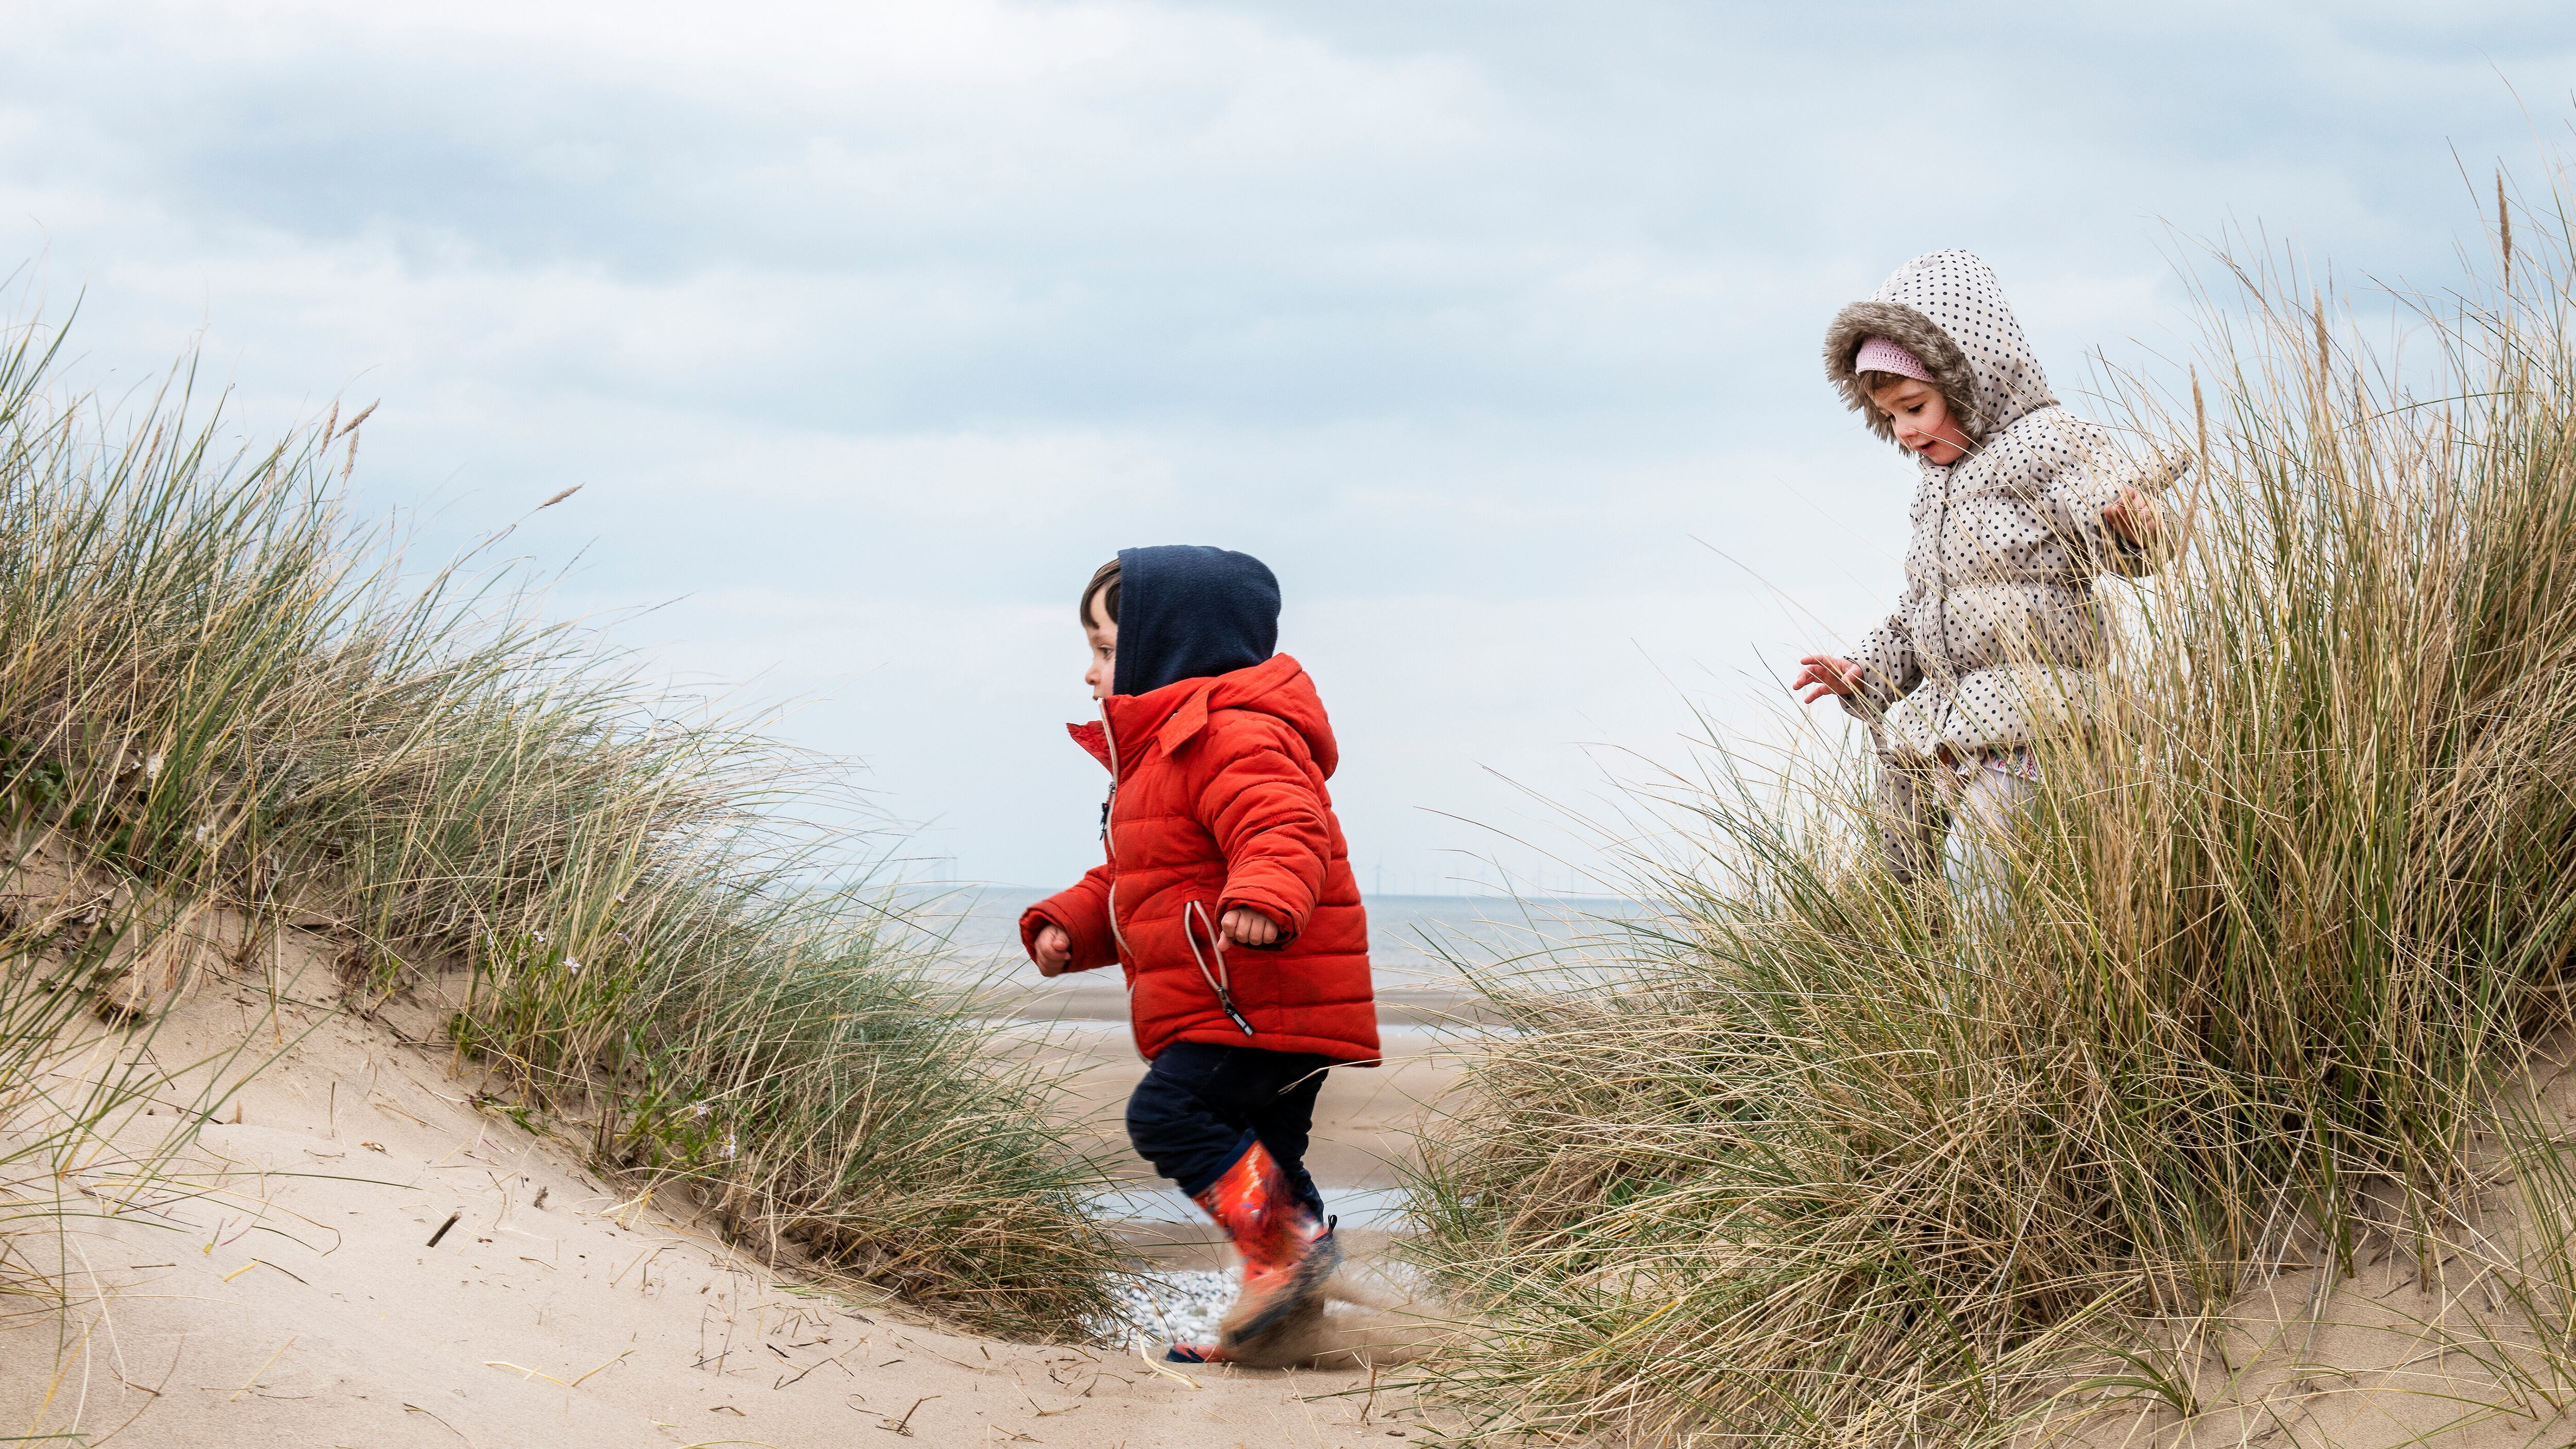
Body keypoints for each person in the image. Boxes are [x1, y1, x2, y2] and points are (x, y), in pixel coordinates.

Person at [1022, 545, 1378, 1363]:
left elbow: (1285, 827)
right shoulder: (1163, 755)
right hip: (1253, 996)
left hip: (1252, 995)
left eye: (1106, 650)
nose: (1089, 673)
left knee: (1168, 1115)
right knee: (1272, 1161)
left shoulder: (1230, 734)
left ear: (1169, 647)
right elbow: (1137, 880)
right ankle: (1286, 1334)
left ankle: (1286, 1253)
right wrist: (1072, 926)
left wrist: (1263, 897)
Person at [1791, 250, 2176, 899]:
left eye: (1915, 406)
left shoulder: (2043, 442)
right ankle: (1930, 983)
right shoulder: (1935, 487)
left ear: (1969, 375)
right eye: (1889, 417)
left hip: (2034, 716)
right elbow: (1922, 607)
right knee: (1903, 866)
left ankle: (1989, 991)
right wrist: (1865, 670)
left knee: (1982, 872)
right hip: (1948, 721)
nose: (1906, 431)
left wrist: (2133, 529)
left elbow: (2111, 525)